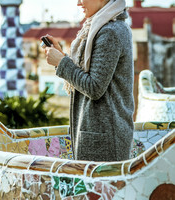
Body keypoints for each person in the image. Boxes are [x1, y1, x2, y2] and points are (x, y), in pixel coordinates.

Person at [43, 0, 134, 162]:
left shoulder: (110, 32)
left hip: (105, 139)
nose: (78, 3)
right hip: (101, 134)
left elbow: (94, 87)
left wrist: (62, 63)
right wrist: (62, 57)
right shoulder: (100, 27)